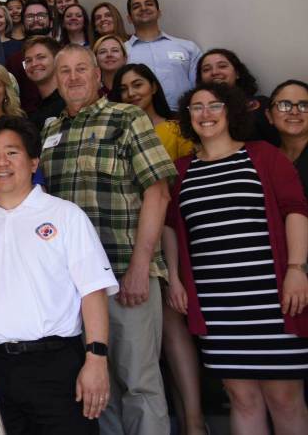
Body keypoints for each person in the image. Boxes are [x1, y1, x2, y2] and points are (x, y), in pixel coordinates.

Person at [39, 45, 177, 434]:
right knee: (100, 390)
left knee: (140, 384)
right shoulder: (50, 130)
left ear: (100, 76)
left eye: (82, 68)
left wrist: (140, 266)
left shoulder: (127, 117)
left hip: (123, 273)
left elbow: (158, 191)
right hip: (74, 286)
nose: (73, 77)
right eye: (63, 71)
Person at [166, 83, 308, 433]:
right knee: (241, 396)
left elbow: (295, 210)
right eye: (196, 107)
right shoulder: (181, 169)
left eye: (214, 105)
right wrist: (174, 278)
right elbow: (170, 227)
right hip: (219, 305)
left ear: (230, 111)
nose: (206, 113)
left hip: (272, 298)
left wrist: (296, 269)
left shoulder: (262, 155)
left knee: (284, 396)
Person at [0, 116, 117, 433]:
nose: (1, 162)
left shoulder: (66, 216)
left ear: (33, 162)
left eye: (12, 152)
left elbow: (93, 291)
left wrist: (96, 359)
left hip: (57, 365)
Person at [108, 64, 203, 434]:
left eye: (139, 84)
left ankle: (194, 421)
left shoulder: (163, 127)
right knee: (113, 380)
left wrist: (143, 264)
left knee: (141, 375)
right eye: (125, 86)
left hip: (161, 238)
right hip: (100, 271)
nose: (132, 92)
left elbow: (160, 191)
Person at [266, 80, 308, 433]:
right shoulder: (266, 158)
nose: (294, 112)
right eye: (285, 105)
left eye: (303, 105)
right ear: (270, 114)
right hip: (286, 274)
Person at [124, 0, 201, 111]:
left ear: (159, 13)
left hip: (181, 116)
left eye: (149, 4)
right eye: (136, 6)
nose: (143, 8)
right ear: (129, 18)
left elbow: (199, 87)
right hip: (139, 118)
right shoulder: (122, 51)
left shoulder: (187, 47)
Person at [197, 48, 280, 145]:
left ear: (237, 73)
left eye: (222, 66)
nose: (214, 72)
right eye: (206, 69)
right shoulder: (197, 112)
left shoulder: (260, 105)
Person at [22, 36, 65, 130]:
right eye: (28, 60)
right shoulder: (32, 111)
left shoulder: (70, 103)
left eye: (40, 57)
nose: (34, 64)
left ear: (57, 60)